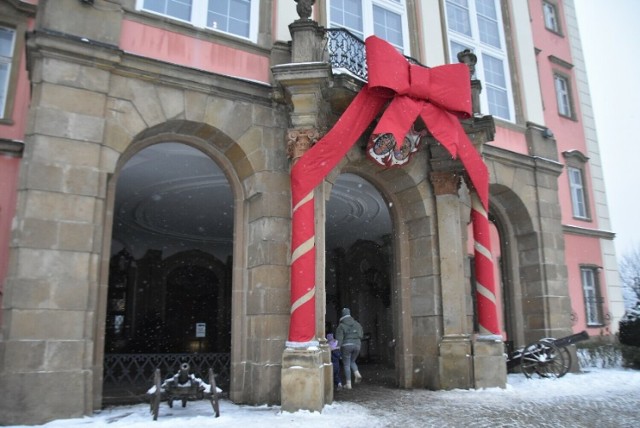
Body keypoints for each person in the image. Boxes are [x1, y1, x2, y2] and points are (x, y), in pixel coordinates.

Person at [335, 308, 363, 389]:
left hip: (346, 345)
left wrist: (338, 348)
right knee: (352, 361)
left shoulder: (341, 326)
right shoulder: (357, 324)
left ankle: (348, 384)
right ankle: (357, 373)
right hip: (357, 345)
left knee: (346, 364)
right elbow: (361, 335)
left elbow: (339, 339)